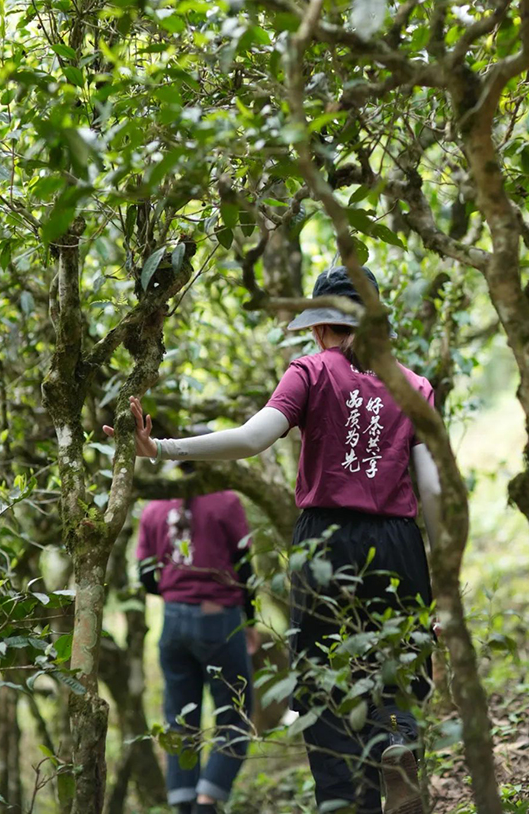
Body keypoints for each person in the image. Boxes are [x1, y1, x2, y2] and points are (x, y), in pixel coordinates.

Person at [105, 264, 441, 814]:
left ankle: (345, 799)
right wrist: (441, 581)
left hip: (327, 544)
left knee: (325, 688)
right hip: (399, 544)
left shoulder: (310, 371)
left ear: (319, 326)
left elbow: (252, 439)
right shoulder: (416, 385)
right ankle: (399, 745)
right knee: (397, 670)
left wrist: (162, 448)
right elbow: (431, 489)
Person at [135, 476, 259, 814]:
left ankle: (183, 804)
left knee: (179, 721)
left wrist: (178, 596)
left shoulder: (154, 507)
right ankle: (206, 803)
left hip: (173, 622)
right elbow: (245, 567)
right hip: (219, 618)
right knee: (234, 717)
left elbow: (145, 576)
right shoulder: (226, 501)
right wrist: (250, 620)